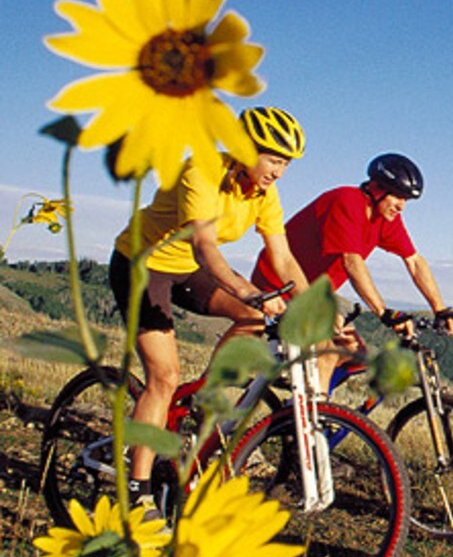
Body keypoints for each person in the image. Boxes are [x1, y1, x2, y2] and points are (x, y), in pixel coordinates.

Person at [107, 106, 312, 515]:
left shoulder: (263, 194)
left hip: (187, 270)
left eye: (286, 162)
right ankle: (136, 490)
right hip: (141, 266)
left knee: (252, 319)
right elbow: (204, 246)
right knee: (163, 379)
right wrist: (247, 289)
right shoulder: (200, 171)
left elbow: (284, 258)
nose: (279, 171)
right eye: (273, 159)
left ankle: (204, 398)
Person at [252, 152, 453, 389]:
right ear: (377, 188)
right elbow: (352, 262)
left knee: (355, 355)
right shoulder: (347, 202)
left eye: (406, 201)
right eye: (398, 197)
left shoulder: (385, 219)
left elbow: (414, 261)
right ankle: (309, 417)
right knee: (327, 353)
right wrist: (383, 312)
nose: (401, 206)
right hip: (278, 287)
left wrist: (440, 309)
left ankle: (318, 405)